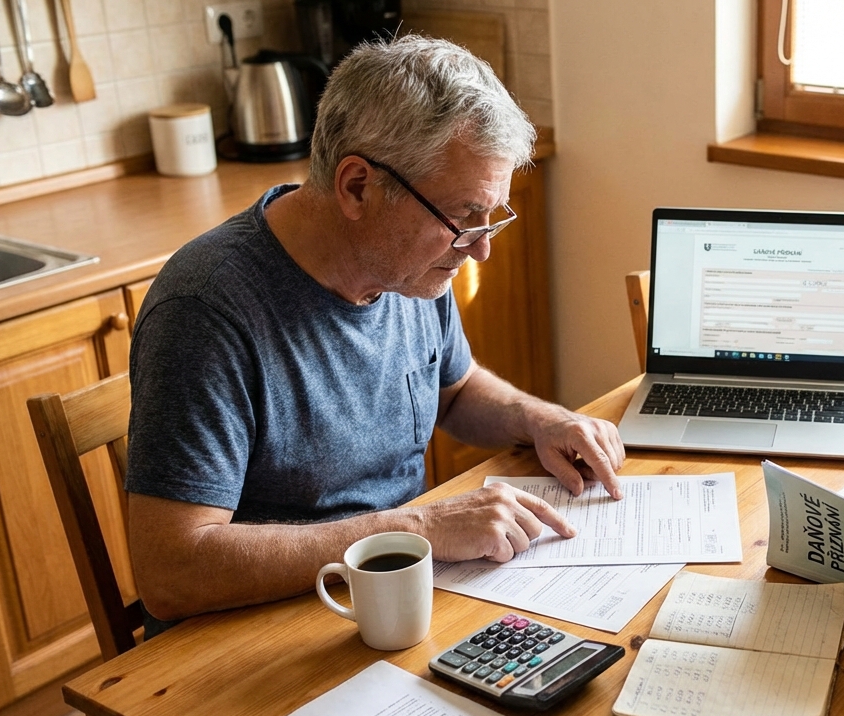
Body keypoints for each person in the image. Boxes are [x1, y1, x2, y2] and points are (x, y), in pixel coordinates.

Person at [125, 36, 625, 632]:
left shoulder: (407, 272)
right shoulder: (206, 310)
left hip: (397, 593)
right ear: (358, 186)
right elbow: (171, 572)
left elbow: (456, 391)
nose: (482, 250)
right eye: (463, 218)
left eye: (492, 217)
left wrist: (538, 419)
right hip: (262, 630)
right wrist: (419, 528)